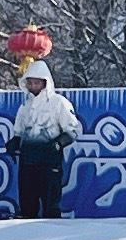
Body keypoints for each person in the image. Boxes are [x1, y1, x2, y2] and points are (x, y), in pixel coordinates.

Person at [8, 64, 83, 218]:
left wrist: (59, 143)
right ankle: (23, 236)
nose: (33, 86)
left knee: (50, 204)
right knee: (27, 204)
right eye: (30, 83)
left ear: (45, 82)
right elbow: (19, 130)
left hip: (49, 160)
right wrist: (15, 141)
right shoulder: (25, 106)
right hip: (28, 160)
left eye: (37, 82)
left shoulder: (59, 102)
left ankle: (50, 236)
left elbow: (73, 129)